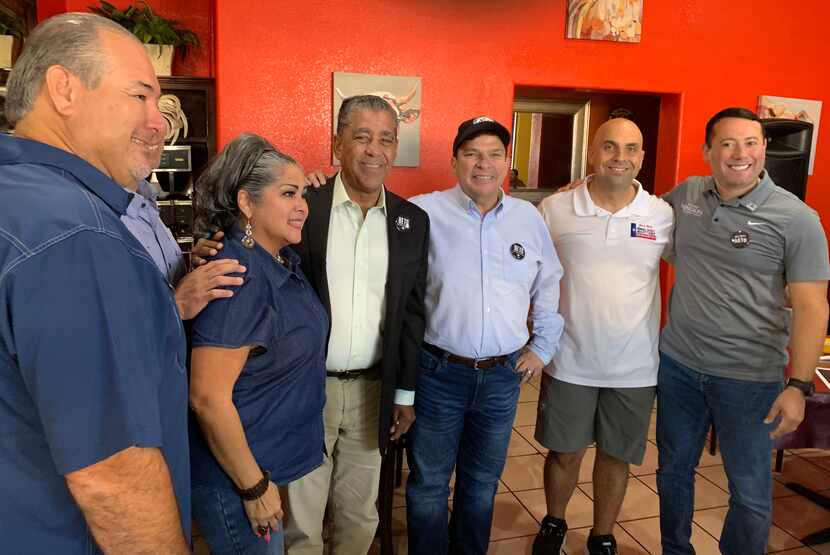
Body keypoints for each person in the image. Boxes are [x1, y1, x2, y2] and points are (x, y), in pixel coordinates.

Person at [195, 94, 429, 554]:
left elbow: (412, 314)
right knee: (301, 517)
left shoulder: (411, 221)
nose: (374, 149)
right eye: (361, 136)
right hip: (304, 390)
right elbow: (250, 243)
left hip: (372, 392)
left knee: (362, 516)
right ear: (338, 142)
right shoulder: (306, 207)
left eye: (385, 139)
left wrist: (405, 393)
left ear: (396, 146)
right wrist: (207, 248)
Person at [0, 13, 190, 554]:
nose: (158, 122)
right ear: (64, 89)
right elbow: (111, 473)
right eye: (140, 96)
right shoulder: (78, 236)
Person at [657, 107, 830, 555]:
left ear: (765, 148)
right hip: (678, 367)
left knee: (750, 492)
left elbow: (813, 306)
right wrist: (590, 189)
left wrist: (798, 384)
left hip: (750, 379)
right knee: (673, 472)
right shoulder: (688, 195)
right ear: (708, 150)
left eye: (751, 142)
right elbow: (639, 217)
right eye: (728, 143)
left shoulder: (797, 218)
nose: (740, 153)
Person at [405, 116, 564, 555]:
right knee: (429, 483)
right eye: (472, 153)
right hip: (438, 374)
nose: (483, 163)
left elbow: (548, 280)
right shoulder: (422, 212)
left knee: (480, 484)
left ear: (506, 163)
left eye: (494, 154)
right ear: (455, 159)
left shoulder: (527, 217)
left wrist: (543, 347)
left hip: (501, 377)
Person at [532, 118, 673, 555]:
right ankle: (554, 523)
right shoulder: (554, 209)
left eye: (631, 149)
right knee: (565, 453)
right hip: (569, 359)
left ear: (642, 158)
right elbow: (528, 272)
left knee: (616, 457)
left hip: (634, 365)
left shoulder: (661, 215)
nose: (620, 157)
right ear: (592, 153)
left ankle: (602, 535)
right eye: (610, 147)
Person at [188, 133, 328, 555]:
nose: (301, 205)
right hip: (236, 479)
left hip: (261, 463)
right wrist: (253, 487)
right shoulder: (237, 275)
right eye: (288, 193)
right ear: (247, 204)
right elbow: (208, 398)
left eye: (302, 193)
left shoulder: (279, 258)